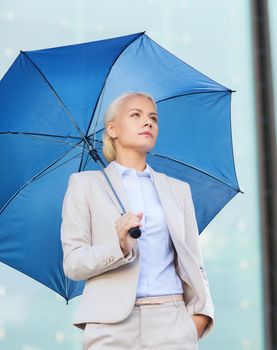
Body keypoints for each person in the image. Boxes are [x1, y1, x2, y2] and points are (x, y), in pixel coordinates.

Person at [60, 92, 215, 350]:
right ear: (112, 129)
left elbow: (194, 263)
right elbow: (73, 263)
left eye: (153, 118)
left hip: (172, 322)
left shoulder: (178, 190)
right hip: (110, 326)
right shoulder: (85, 185)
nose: (148, 123)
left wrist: (199, 318)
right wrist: (118, 247)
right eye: (136, 115)